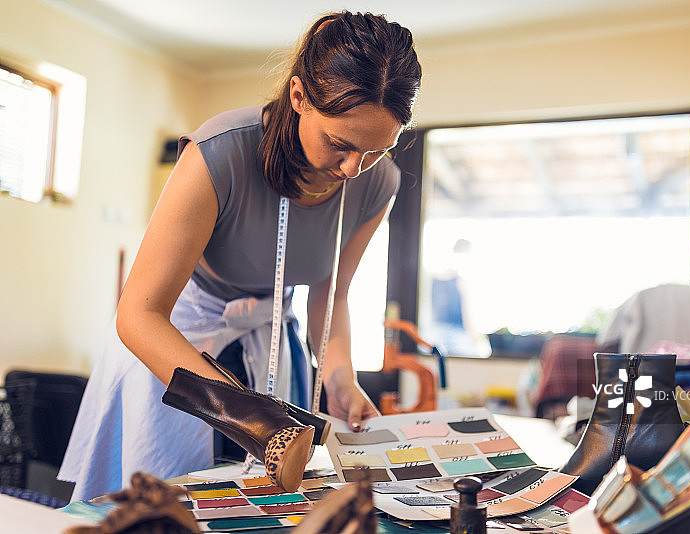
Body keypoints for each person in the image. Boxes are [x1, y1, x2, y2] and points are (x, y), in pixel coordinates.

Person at [59, 11, 422, 501]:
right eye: (340, 144)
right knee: (163, 510)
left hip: (270, 343)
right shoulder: (219, 153)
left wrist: (340, 378)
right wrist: (250, 416)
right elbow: (138, 314)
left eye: (378, 149)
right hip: (176, 346)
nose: (355, 168)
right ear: (298, 97)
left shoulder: (379, 183)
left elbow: (331, 293)